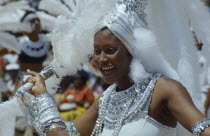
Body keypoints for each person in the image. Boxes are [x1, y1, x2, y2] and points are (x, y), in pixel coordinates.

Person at [12, 0, 210, 136]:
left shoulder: (163, 89)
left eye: (110, 50)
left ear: (132, 50)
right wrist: (42, 97)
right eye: (97, 51)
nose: (101, 58)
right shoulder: (106, 100)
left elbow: (203, 129)